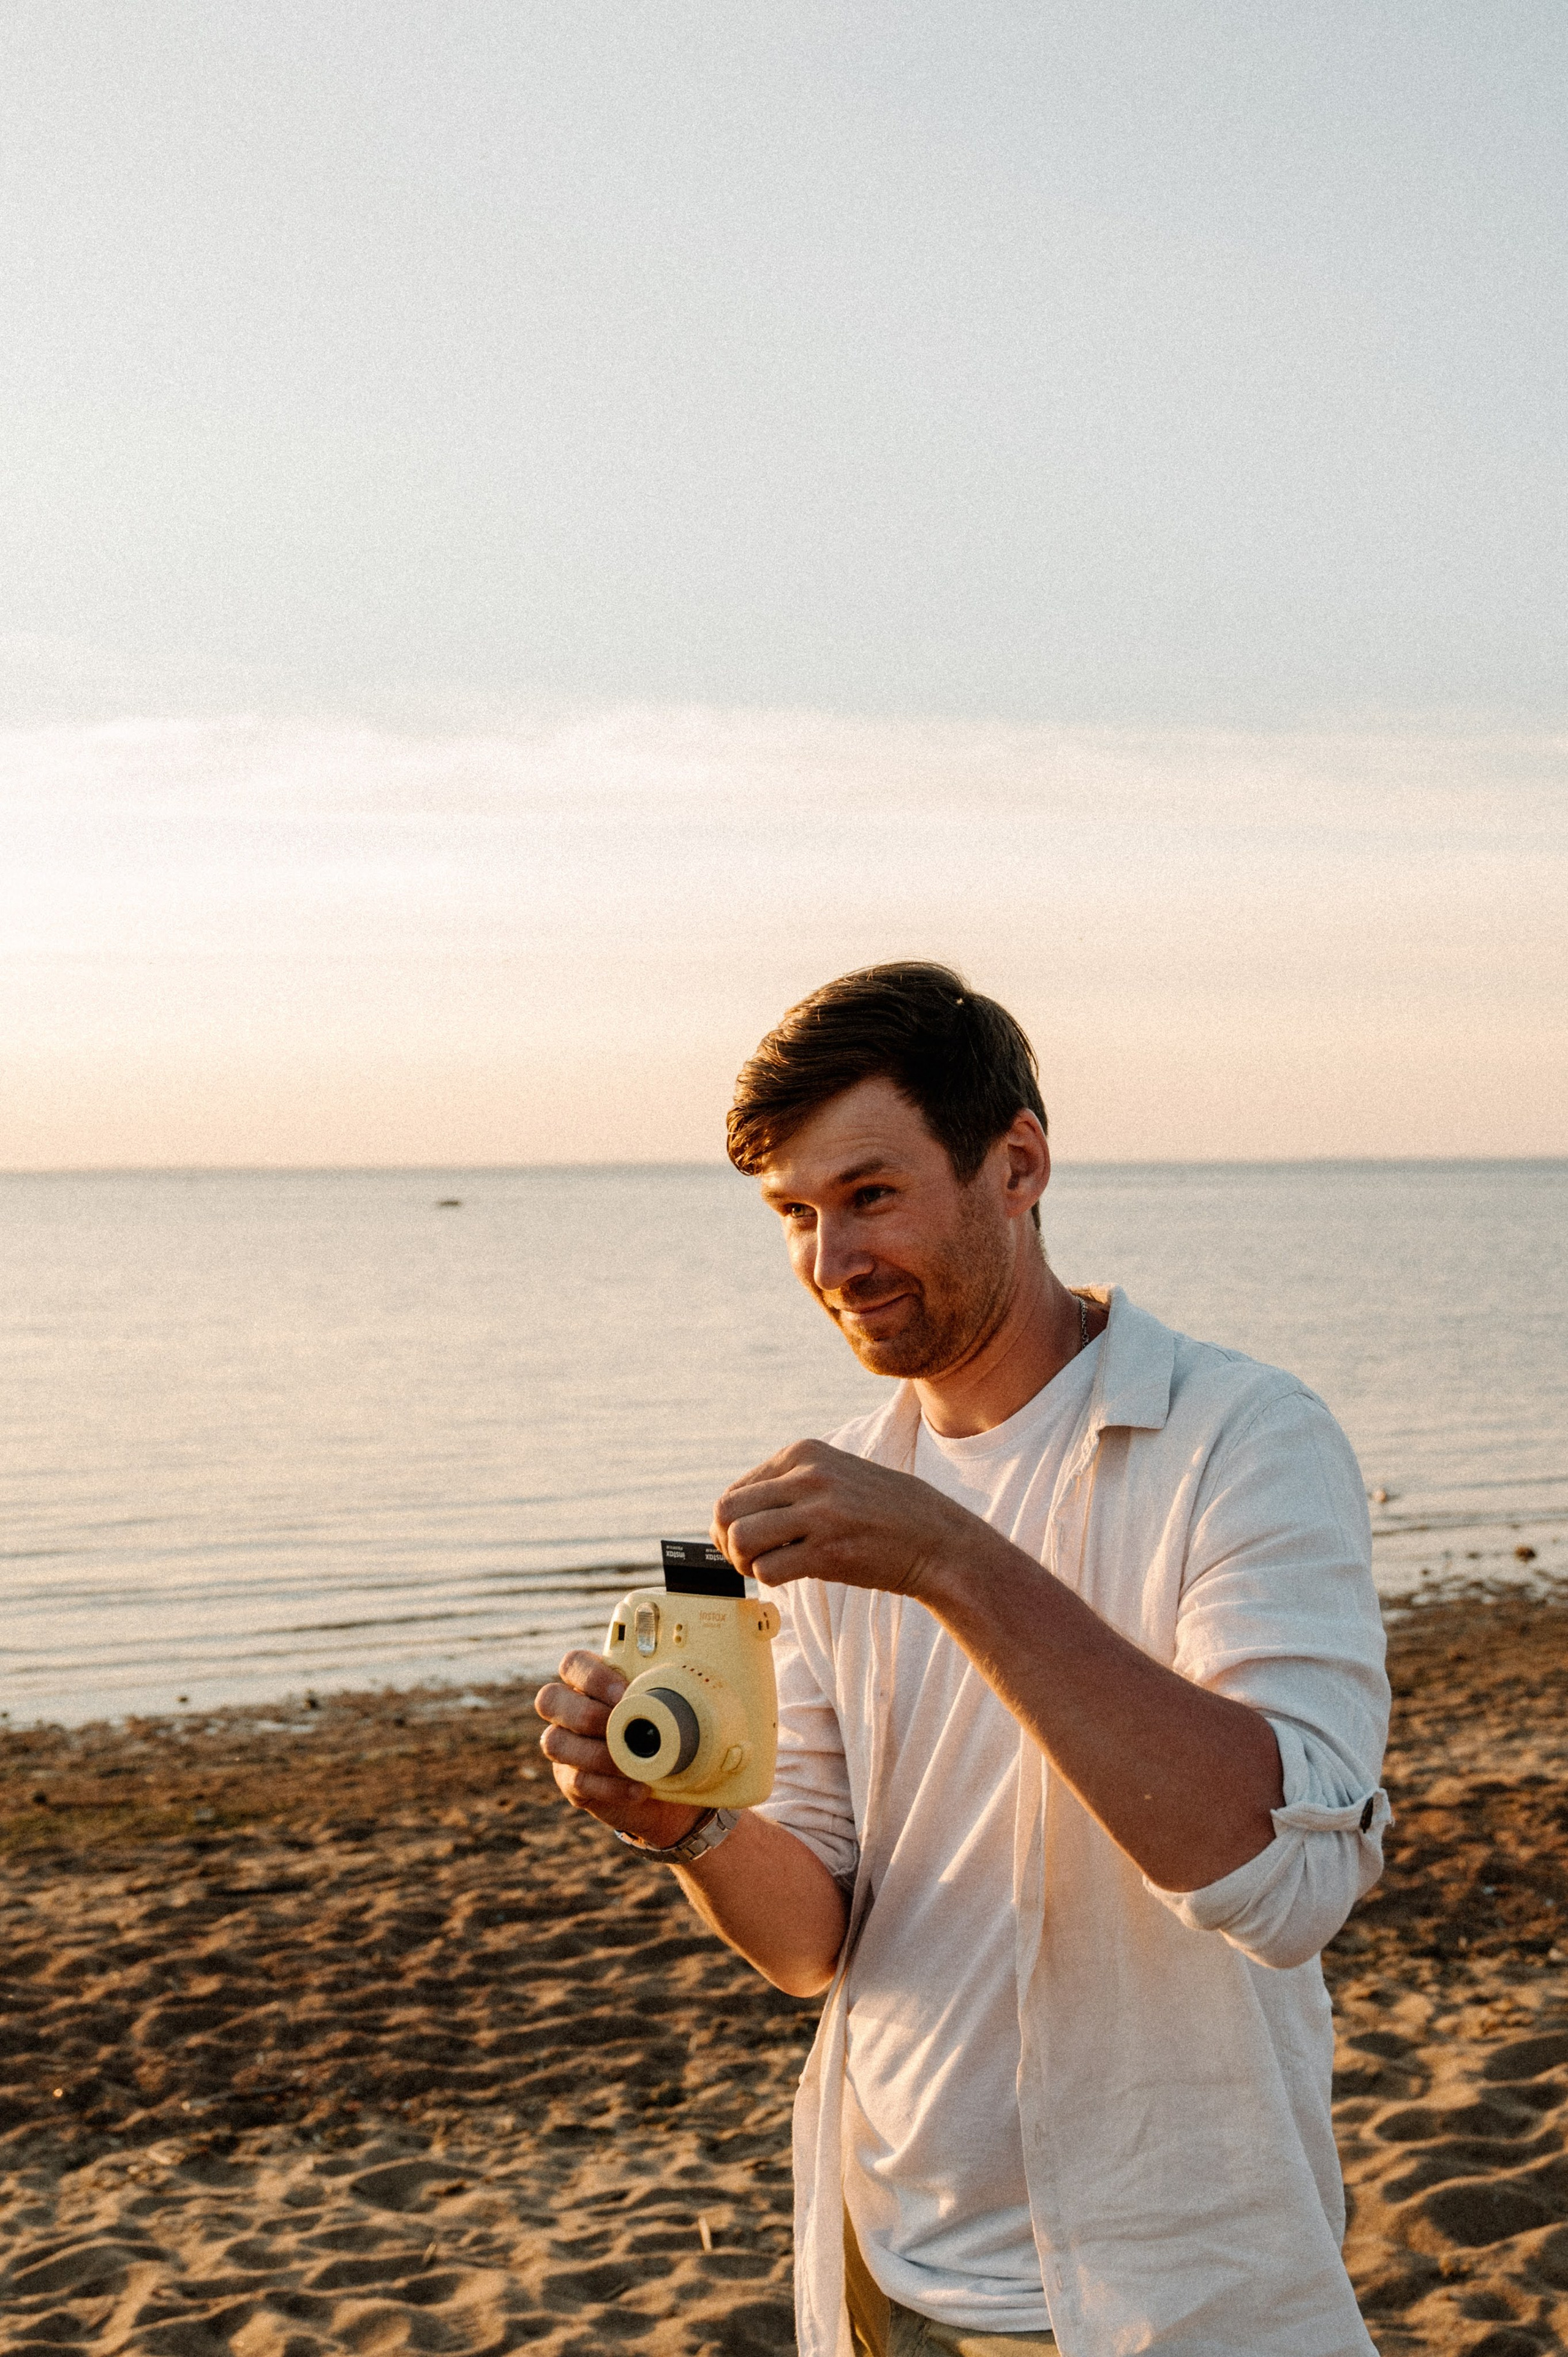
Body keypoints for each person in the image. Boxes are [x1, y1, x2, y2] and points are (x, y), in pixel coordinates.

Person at [535, 963, 1390, 2357]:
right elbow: (815, 1939)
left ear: (1017, 1162)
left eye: (869, 1196)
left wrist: (953, 1558)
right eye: (795, 1217)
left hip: (1168, 2288)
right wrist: (685, 1823)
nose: (828, 1262)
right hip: (890, 2275)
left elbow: (1284, 1875)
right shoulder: (847, 1493)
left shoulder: (1243, 1438)